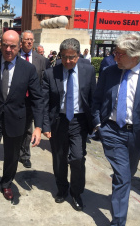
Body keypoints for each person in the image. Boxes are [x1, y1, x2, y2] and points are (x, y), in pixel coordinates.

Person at [0, 30, 43, 225]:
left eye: (13, 45)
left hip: (16, 121)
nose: (9, 49)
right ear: (0, 45)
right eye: (5, 45)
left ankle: (6, 182)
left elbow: (37, 99)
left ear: (19, 46)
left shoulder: (27, 69)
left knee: (12, 159)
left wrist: (38, 127)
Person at [91, 33, 140, 226]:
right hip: (112, 131)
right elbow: (97, 100)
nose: (115, 57)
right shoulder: (109, 72)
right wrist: (99, 124)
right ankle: (118, 222)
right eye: (115, 53)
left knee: (127, 174)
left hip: (137, 135)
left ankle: (118, 196)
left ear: (135, 55)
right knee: (124, 178)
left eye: (120, 54)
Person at [42, 38, 96, 212]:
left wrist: (95, 122)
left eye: (71, 57)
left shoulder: (88, 71)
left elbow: (93, 98)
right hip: (58, 120)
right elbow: (44, 102)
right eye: (64, 57)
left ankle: (76, 192)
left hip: (79, 121)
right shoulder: (51, 73)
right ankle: (62, 188)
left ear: (78, 55)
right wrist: (45, 125)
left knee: (78, 157)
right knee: (59, 157)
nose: (67, 61)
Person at [19, 30, 47, 168]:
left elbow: (43, 81)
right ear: (21, 41)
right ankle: (14, 151)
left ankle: (25, 155)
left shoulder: (41, 60)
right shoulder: (15, 56)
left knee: (28, 129)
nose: (29, 42)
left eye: (31, 39)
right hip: (16, 100)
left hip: (32, 100)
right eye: (26, 39)